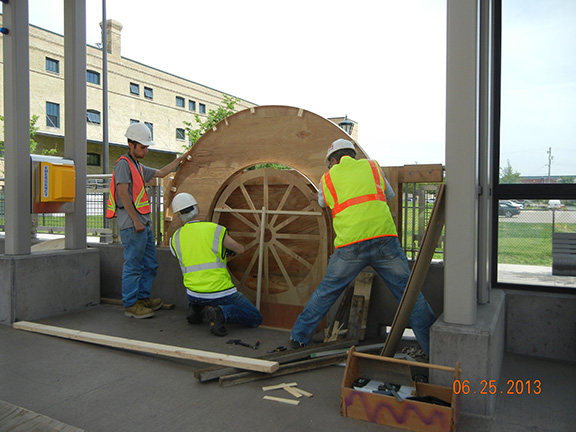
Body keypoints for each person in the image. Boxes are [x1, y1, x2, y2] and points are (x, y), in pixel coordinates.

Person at [290, 138, 436, 356]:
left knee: (327, 291)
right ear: (352, 154)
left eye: (330, 163)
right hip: (384, 239)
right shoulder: (373, 167)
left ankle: (299, 337)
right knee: (408, 293)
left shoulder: (328, 178)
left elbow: (323, 202)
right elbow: (388, 195)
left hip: (350, 246)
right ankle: (435, 347)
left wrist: (319, 196)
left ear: (334, 159)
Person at [107, 122, 186, 319]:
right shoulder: (123, 164)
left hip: (142, 224)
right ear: (130, 144)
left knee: (150, 263)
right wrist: (136, 221)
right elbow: (122, 193)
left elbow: (160, 173)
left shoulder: (137, 166)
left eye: (147, 147)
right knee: (133, 265)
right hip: (134, 225)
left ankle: (143, 299)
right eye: (142, 147)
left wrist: (181, 160)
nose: (146, 150)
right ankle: (131, 305)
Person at [169, 192, 263, 336]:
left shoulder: (174, 239)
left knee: (198, 297)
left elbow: (191, 254)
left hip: (193, 293)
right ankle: (221, 313)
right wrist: (223, 251)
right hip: (221, 292)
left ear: (179, 216)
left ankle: (196, 309)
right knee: (255, 317)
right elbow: (240, 249)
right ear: (197, 209)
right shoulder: (214, 230)